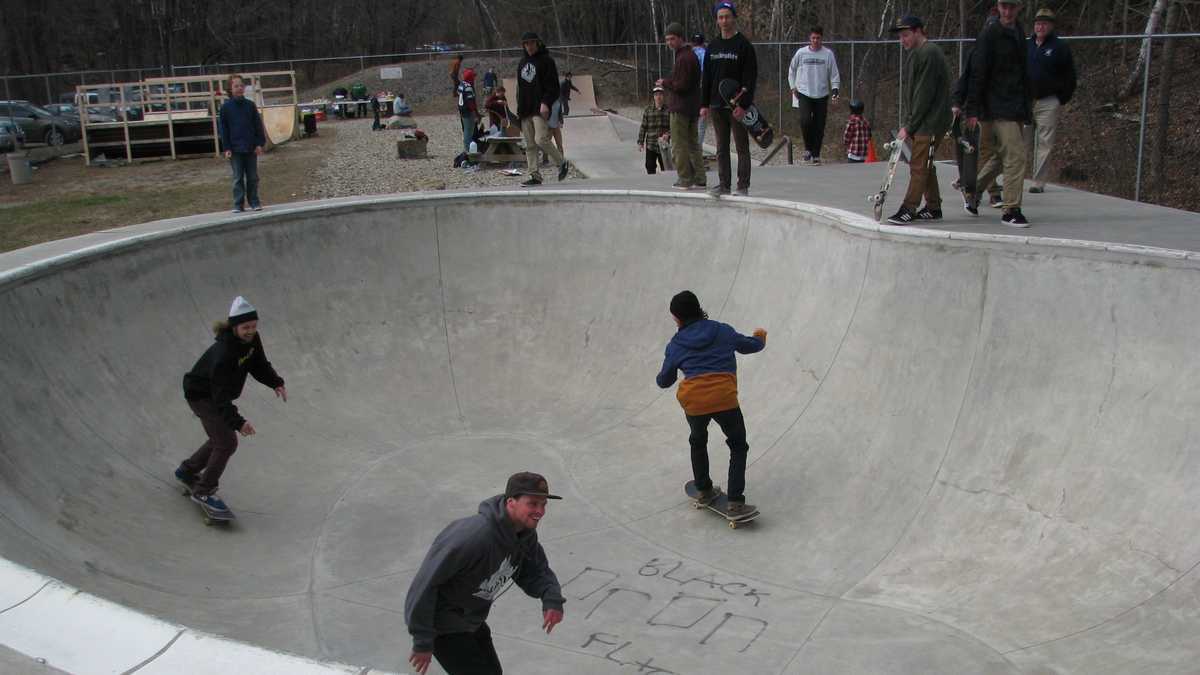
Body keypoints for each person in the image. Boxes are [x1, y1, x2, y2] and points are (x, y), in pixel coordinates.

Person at [405, 472, 566, 675]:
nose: (540, 511)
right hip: (444, 627)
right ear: (511, 502)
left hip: (472, 621)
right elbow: (425, 585)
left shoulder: (523, 535)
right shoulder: (473, 537)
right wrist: (422, 641)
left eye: (543, 504)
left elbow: (535, 569)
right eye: (533, 504)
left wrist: (551, 597)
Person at [656, 291, 765, 515]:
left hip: (694, 403)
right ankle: (735, 501)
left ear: (677, 318)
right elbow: (750, 345)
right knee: (737, 445)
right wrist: (760, 337)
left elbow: (664, 381)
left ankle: (704, 490)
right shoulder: (722, 330)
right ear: (698, 308)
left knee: (698, 441)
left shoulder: (676, 344)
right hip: (725, 399)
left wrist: (668, 369)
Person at [176, 297, 286, 514]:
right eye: (245, 327)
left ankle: (187, 471)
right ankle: (203, 491)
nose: (250, 331)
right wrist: (239, 423)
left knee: (220, 438)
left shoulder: (253, 339)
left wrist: (276, 382)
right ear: (234, 327)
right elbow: (220, 398)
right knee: (227, 442)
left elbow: (259, 364)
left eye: (253, 326)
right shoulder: (224, 354)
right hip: (201, 396)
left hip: (215, 395)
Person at [966, 0, 1033, 227]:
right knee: (1016, 155)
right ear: (998, 6)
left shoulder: (1019, 32)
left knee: (1002, 156)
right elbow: (977, 71)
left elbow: (1022, 73)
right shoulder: (990, 34)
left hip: (1015, 105)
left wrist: (1026, 108)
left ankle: (972, 192)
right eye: (1004, 7)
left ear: (1019, 8)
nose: (1007, 12)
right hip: (996, 105)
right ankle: (1011, 209)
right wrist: (972, 108)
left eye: (1012, 7)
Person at [885, 15, 952, 225]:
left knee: (919, 164)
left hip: (930, 121)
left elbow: (923, 94)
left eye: (906, 35)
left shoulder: (928, 53)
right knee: (926, 163)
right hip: (925, 119)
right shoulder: (919, 53)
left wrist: (909, 125)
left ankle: (908, 208)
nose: (902, 40)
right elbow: (915, 94)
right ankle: (933, 207)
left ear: (918, 32)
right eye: (900, 36)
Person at [700, 1, 758, 196]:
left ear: (734, 18)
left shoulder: (744, 46)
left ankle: (743, 186)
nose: (724, 20)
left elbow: (750, 78)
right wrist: (704, 104)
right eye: (720, 17)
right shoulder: (713, 47)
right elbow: (706, 77)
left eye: (727, 16)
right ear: (717, 20)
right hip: (716, 104)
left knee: (741, 146)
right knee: (721, 147)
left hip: (736, 106)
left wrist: (744, 105)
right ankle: (724, 184)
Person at [1026, 8, 1077, 194]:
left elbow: (1070, 77)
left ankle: (1038, 183)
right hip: (1026, 101)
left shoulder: (1059, 48)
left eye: (1045, 23)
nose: (1040, 26)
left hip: (1048, 101)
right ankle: (1014, 178)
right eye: (1038, 23)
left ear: (1051, 26)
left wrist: (1061, 98)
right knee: (1019, 141)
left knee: (1044, 143)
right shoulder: (1027, 45)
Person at [516, 32, 570, 186]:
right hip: (526, 109)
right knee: (529, 144)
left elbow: (553, 87)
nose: (529, 46)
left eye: (532, 43)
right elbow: (520, 89)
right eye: (526, 44)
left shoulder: (547, 61)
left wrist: (546, 103)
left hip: (539, 108)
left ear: (538, 43)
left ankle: (561, 163)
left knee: (541, 139)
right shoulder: (521, 63)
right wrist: (519, 110)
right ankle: (535, 175)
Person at [657, 22, 705, 189]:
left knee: (678, 145)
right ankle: (700, 177)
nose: (669, 43)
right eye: (667, 40)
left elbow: (681, 85)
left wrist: (665, 82)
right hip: (692, 107)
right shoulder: (690, 55)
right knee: (693, 143)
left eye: (672, 39)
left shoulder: (684, 58)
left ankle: (685, 178)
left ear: (680, 38)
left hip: (680, 108)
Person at [787, 26, 841, 164]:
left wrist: (835, 90)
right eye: (813, 38)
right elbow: (791, 70)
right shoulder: (801, 53)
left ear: (821, 38)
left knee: (819, 125)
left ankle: (816, 154)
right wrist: (793, 87)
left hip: (821, 94)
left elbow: (834, 74)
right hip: (804, 92)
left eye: (818, 38)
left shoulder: (827, 54)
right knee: (805, 121)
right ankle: (808, 148)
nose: (815, 40)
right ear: (809, 38)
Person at [217, 75, 266, 213]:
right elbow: (224, 129)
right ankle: (238, 204)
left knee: (252, 177)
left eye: (241, 86)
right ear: (230, 89)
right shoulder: (226, 108)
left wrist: (259, 143)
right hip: (235, 148)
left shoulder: (250, 106)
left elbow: (257, 125)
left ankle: (254, 202)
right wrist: (226, 147)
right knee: (238, 177)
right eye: (235, 86)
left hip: (250, 147)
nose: (239, 88)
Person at [637, 87, 671, 174]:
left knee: (666, 168)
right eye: (656, 95)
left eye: (660, 95)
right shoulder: (648, 110)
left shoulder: (669, 110)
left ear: (663, 96)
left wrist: (668, 134)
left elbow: (673, 127)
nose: (658, 97)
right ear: (653, 97)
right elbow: (643, 127)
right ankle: (652, 185)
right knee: (649, 166)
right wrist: (640, 142)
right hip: (651, 144)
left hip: (664, 145)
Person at [549, 73, 580, 156]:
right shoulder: (562, 83)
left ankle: (561, 157)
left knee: (559, 142)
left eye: (571, 77)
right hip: (561, 96)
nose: (570, 78)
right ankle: (546, 158)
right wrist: (563, 97)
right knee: (566, 106)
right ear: (566, 77)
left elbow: (572, 87)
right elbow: (561, 91)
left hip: (564, 97)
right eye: (569, 77)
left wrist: (577, 90)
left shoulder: (569, 82)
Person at [456, 68, 479, 158]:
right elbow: (470, 102)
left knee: (466, 130)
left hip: (462, 111)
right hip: (468, 112)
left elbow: (458, 93)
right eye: (473, 76)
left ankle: (467, 149)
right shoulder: (469, 87)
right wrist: (475, 113)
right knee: (469, 132)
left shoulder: (461, 85)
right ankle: (468, 152)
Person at [692, 33, 708, 148]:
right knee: (701, 122)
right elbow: (706, 73)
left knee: (690, 120)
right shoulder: (705, 54)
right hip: (702, 90)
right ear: (703, 43)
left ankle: (690, 148)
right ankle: (697, 148)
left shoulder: (688, 53)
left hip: (689, 91)